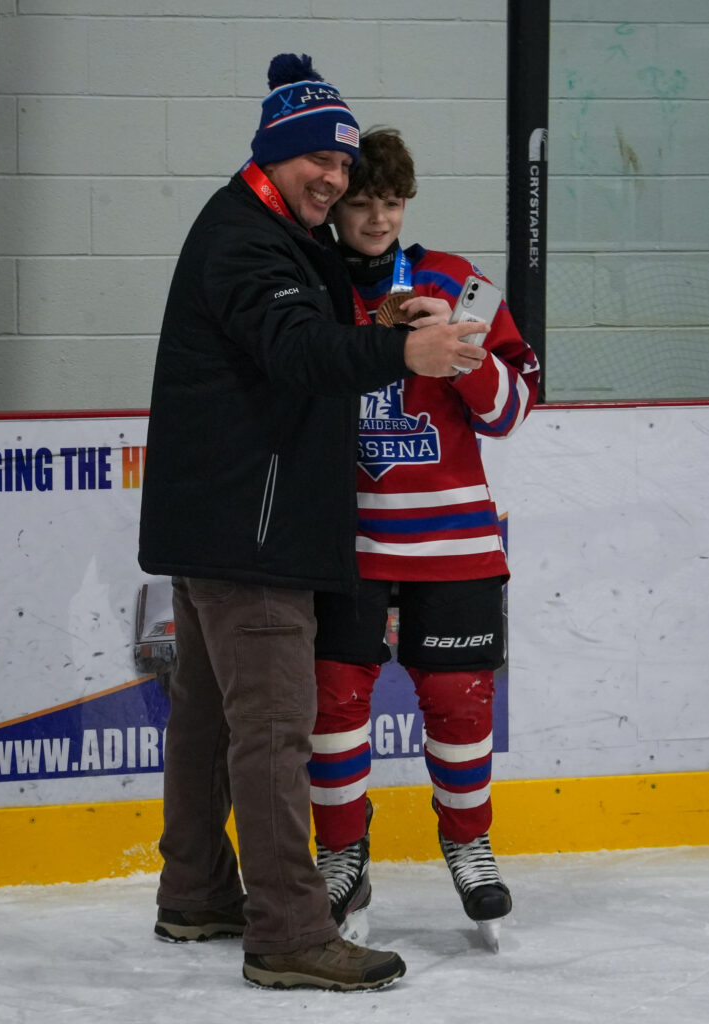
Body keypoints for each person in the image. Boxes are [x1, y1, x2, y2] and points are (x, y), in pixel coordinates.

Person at [138, 58, 489, 991]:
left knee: (208, 724)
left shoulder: (267, 232)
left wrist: (388, 305)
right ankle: (290, 931)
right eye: (317, 162)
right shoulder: (247, 240)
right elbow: (296, 348)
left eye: (343, 165)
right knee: (273, 733)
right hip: (252, 533)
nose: (334, 179)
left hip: (220, 520)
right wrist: (401, 347)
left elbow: (316, 309)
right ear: (275, 155)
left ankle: (195, 892)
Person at [307, 128, 540, 949]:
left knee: (457, 704)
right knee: (332, 711)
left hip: (455, 543)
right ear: (335, 202)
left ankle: (467, 840)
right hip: (341, 547)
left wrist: (454, 345)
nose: (376, 221)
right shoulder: (309, 279)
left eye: (391, 204)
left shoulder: (454, 281)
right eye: (361, 203)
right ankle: (340, 856)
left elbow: (510, 411)